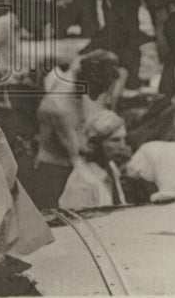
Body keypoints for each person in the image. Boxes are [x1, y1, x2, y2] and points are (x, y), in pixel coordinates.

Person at [32, 49, 121, 209]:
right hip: (56, 172)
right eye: (101, 87)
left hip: (74, 164)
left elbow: (81, 60)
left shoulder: (79, 73)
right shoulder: (60, 105)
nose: (103, 93)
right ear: (91, 79)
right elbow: (77, 153)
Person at [58, 109, 130, 209]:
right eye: (115, 140)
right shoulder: (82, 182)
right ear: (93, 144)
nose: (123, 146)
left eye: (124, 139)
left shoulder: (110, 167)